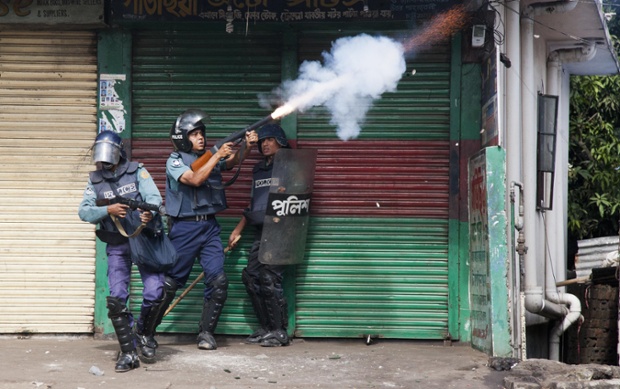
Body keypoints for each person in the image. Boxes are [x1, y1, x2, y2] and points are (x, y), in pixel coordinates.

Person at [159, 109, 257, 350]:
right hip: (184, 228)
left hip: (209, 226)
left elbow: (231, 163)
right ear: (182, 137)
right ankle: (145, 331)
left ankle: (206, 334)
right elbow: (194, 179)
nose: (201, 137)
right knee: (170, 282)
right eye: (194, 134)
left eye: (201, 133)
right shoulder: (175, 161)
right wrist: (216, 154)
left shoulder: (209, 157)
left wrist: (247, 147)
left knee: (218, 280)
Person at [78, 131, 168, 372]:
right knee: (117, 298)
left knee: (155, 291)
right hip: (117, 244)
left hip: (144, 240)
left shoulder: (138, 171)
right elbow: (84, 212)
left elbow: (154, 199)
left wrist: (149, 214)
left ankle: (145, 334)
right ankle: (128, 351)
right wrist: (108, 210)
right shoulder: (95, 180)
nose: (103, 161)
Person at [228, 123, 292, 347]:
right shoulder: (259, 169)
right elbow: (253, 203)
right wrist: (237, 229)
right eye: (262, 140)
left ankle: (279, 331)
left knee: (269, 279)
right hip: (260, 231)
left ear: (280, 141)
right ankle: (266, 327)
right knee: (251, 277)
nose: (265, 144)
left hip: (281, 231)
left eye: (270, 139)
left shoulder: (290, 166)